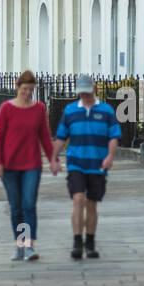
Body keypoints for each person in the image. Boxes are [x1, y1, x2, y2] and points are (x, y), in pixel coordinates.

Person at [52, 74, 121, 259]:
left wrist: (110, 156)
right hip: (76, 162)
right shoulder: (70, 111)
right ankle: (77, 242)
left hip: (98, 164)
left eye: (87, 92)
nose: (84, 96)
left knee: (91, 204)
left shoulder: (106, 111)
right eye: (81, 93)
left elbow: (113, 136)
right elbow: (61, 137)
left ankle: (90, 242)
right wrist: (53, 158)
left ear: (94, 89)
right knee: (78, 200)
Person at [0, 69, 58, 262]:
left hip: (31, 164)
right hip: (10, 165)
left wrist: (52, 159)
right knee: (16, 207)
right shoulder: (6, 108)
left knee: (29, 204)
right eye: (25, 89)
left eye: (31, 89)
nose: (28, 93)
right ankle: (19, 247)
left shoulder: (39, 109)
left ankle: (29, 246)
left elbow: (45, 137)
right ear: (18, 87)